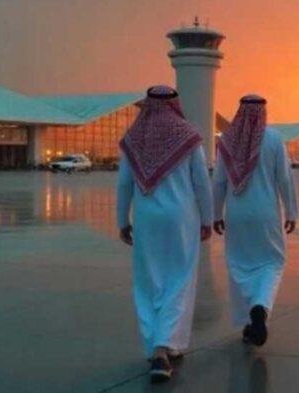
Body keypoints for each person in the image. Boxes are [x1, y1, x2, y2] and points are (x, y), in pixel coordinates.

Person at [116, 86, 214, 384]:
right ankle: (164, 347)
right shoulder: (189, 137)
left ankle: (159, 346)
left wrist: (122, 221)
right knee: (179, 280)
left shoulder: (134, 138)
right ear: (174, 104)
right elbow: (201, 182)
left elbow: (124, 184)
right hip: (182, 219)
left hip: (147, 219)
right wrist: (207, 219)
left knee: (150, 282)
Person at [212, 94, 299, 348]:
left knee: (240, 265)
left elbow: (218, 182)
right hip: (266, 215)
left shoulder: (227, 140)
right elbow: (284, 178)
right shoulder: (273, 139)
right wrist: (292, 212)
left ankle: (251, 322)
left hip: (237, 215)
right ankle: (260, 307)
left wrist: (215, 214)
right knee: (272, 262)